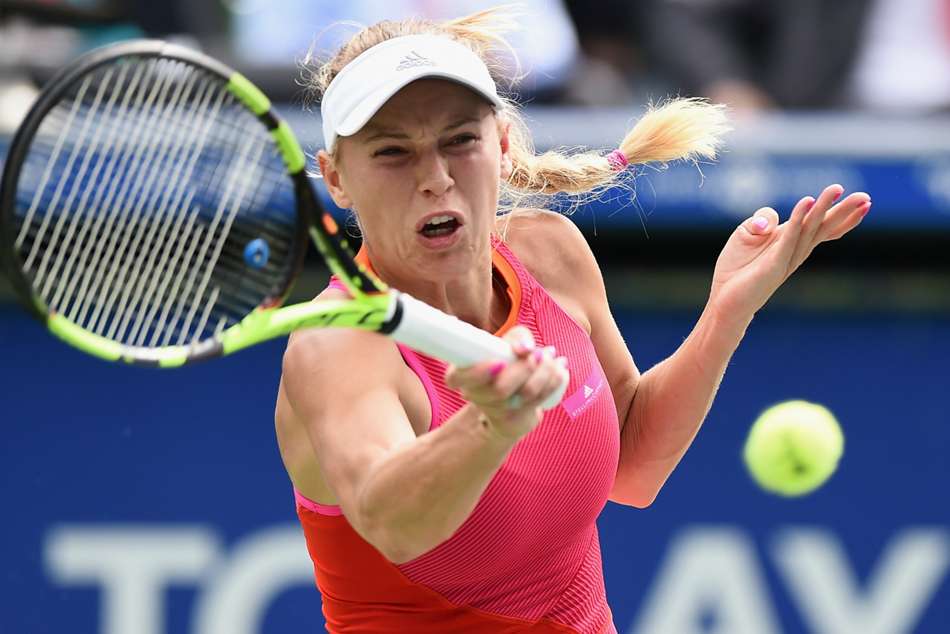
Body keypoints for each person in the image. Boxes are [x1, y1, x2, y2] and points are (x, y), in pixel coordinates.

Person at [274, 7, 872, 633]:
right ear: (337, 178)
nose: (436, 177)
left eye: (460, 140)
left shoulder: (548, 253)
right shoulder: (338, 343)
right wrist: (489, 425)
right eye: (393, 152)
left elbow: (632, 464)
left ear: (501, 146)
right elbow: (393, 523)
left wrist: (727, 310)